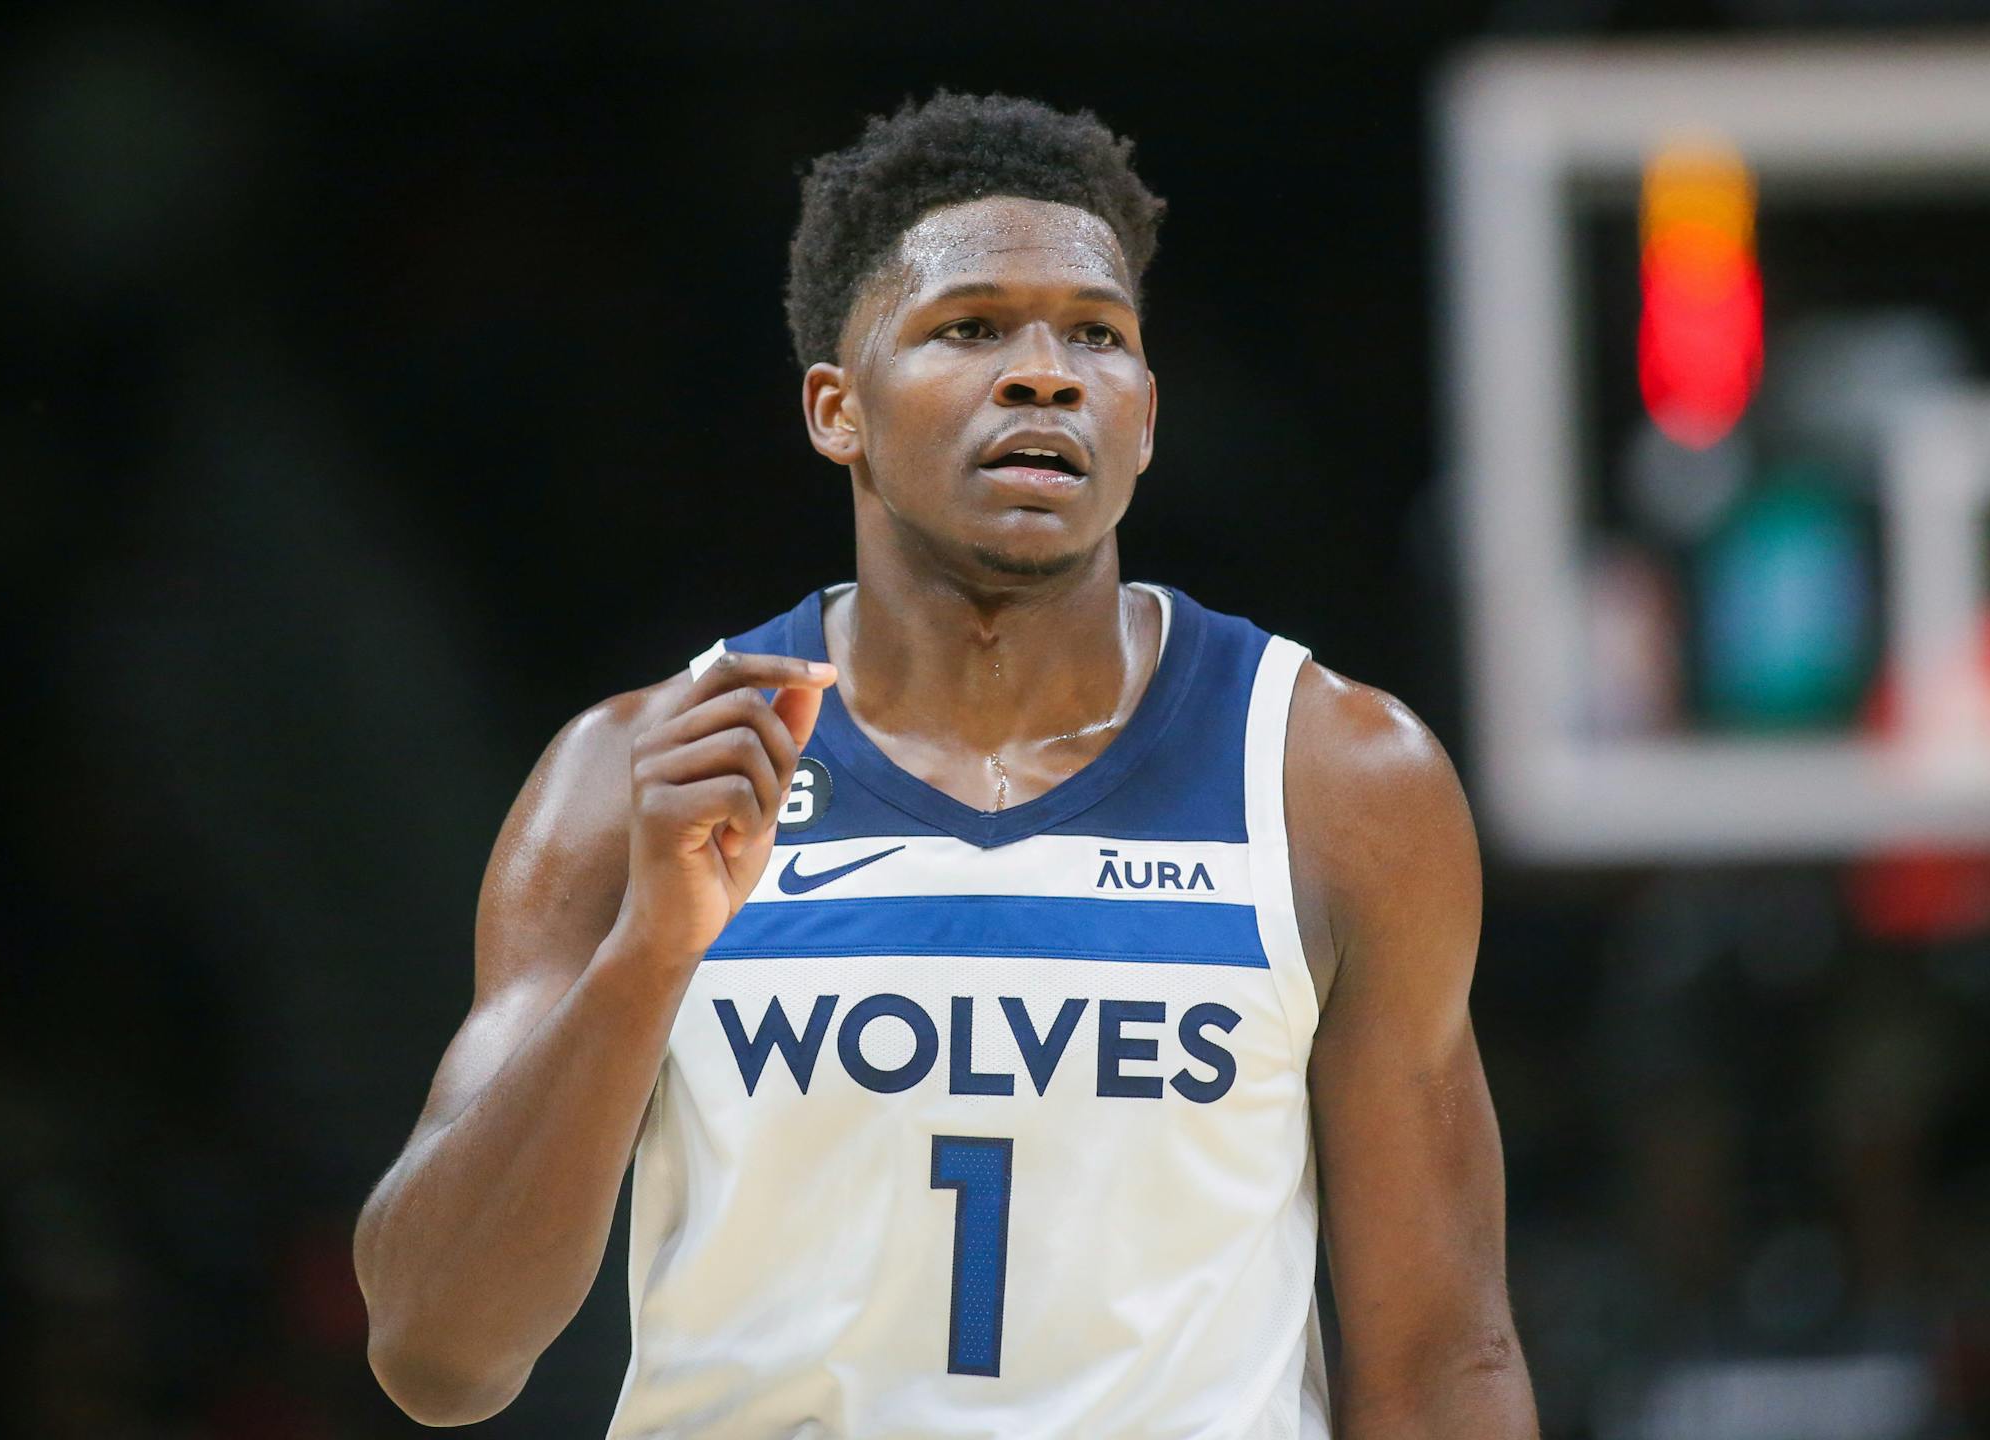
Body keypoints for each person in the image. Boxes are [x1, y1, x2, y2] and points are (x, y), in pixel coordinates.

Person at [352, 91, 1537, 1439]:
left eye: (1096, 334)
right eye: (970, 327)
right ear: (836, 409)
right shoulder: (631, 771)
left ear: (1145, 417)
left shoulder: (1336, 779)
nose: (1046, 372)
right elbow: (437, 1353)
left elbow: (1444, 1355)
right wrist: (649, 952)